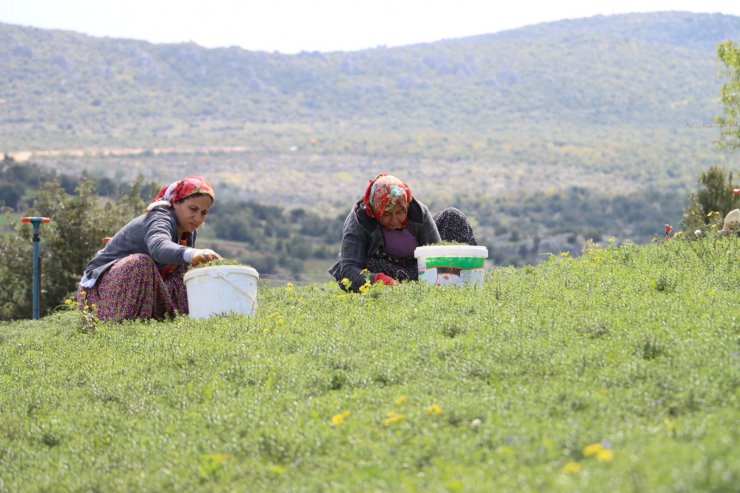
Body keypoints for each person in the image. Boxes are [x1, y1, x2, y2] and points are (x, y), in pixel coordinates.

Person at [77, 175, 222, 321]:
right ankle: (120, 325)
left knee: (187, 271)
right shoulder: (160, 218)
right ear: (176, 203)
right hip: (99, 294)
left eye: (203, 213)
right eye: (193, 209)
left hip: (137, 290)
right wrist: (194, 253)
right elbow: (159, 247)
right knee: (140, 263)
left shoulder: (187, 231)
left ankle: (175, 321)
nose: (198, 218)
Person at [329, 173, 477, 291]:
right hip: (385, 268)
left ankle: (469, 274)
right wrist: (380, 281)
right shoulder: (360, 222)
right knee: (363, 267)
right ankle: (400, 285)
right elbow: (347, 270)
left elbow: (434, 255)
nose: (394, 220)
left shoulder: (419, 213)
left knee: (452, 216)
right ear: (375, 212)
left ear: (406, 204)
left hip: (418, 266)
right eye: (386, 214)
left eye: (400, 212)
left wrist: (439, 274)